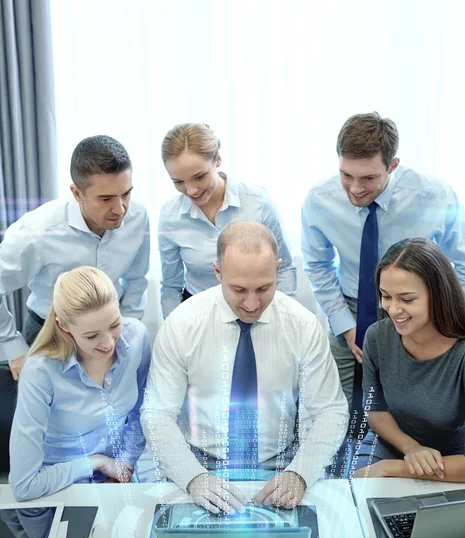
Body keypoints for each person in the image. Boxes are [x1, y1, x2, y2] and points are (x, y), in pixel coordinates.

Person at [142, 222, 348, 514]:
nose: (252, 304)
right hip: (200, 463)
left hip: (281, 464)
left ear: (278, 270)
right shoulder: (181, 324)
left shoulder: (303, 326)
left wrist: (300, 472)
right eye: (238, 289)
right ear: (217, 272)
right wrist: (193, 477)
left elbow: (330, 410)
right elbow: (157, 414)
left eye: (263, 288)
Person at [301, 112, 465, 406]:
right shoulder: (319, 200)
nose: (355, 188)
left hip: (419, 308)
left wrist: (445, 315)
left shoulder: (434, 196)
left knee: (409, 403)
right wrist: (346, 325)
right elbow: (317, 265)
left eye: (368, 178)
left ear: (393, 165)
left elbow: (463, 261)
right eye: (346, 175)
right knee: (336, 405)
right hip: (351, 308)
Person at [0, 135, 150, 380]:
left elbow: (137, 279)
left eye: (126, 194)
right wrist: (13, 348)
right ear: (77, 193)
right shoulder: (36, 231)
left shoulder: (139, 217)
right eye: (106, 199)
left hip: (109, 334)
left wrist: (125, 331)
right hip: (51, 336)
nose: (120, 209)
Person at [9, 266, 151, 501]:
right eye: (91, 335)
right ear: (63, 326)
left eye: (115, 324)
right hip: (59, 488)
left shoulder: (137, 337)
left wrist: (124, 463)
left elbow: (142, 410)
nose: (108, 343)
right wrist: (96, 463)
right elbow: (24, 486)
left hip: (117, 479)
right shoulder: (41, 371)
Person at [352, 238, 465, 482]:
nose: (393, 309)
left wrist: (394, 468)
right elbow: (375, 411)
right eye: (386, 296)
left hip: (456, 457)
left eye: (406, 299)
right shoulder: (377, 336)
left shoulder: (462, 352)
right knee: (358, 493)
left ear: (438, 295)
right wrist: (411, 448)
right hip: (392, 441)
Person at [159, 123, 297, 319]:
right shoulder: (170, 217)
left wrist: (282, 320)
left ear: (217, 160)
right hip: (198, 315)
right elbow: (171, 286)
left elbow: (285, 269)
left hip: (257, 309)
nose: (191, 190)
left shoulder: (258, 203)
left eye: (199, 177)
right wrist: (172, 330)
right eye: (178, 182)